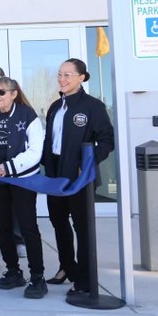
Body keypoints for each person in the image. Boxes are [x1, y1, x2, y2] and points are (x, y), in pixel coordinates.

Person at [43, 58, 114, 295]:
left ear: (81, 77)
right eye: (60, 75)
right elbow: (49, 142)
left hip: (80, 177)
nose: (62, 79)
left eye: (68, 75)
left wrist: (89, 162)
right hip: (55, 176)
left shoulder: (93, 106)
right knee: (59, 223)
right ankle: (67, 267)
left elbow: (106, 139)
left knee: (82, 228)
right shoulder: (55, 107)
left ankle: (84, 280)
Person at [0, 76, 47, 298]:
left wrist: (10, 166)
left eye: (1, 92)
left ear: (14, 94)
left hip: (23, 181)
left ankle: (37, 278)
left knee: (28, 228)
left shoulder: (28, 115)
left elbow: (35, 151)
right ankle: (13, 272)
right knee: (2, 227)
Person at [0, 64, 27, 259]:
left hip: (17, 169)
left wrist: (13, 165)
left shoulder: (23, 110)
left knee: (17, 208)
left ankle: (18, 240)